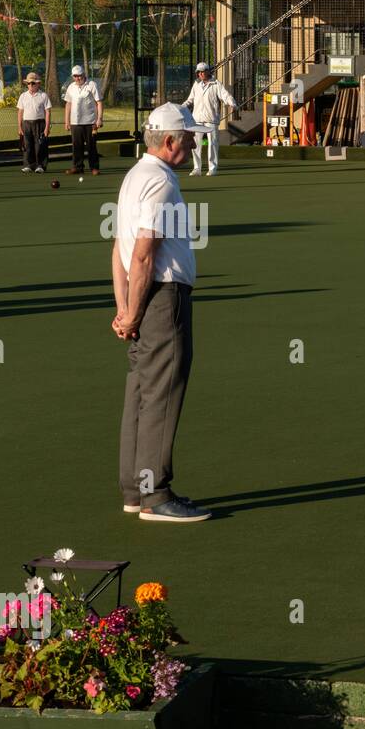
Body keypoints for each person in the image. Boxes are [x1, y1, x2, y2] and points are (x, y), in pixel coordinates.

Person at [113, 103, 212, 523]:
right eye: (188, 136)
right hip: (161, 299)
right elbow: (141, 254)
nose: (193, 141)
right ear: (169, 141)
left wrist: (123, 308)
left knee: (140, 391)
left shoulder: (135, 177)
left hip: (141, 299)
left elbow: (116, 251)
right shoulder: (160, 182)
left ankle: (136, 489)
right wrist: (134, 313)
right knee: (161, 393)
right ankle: (156, 495)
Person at [182, 62, 237, 176]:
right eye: (199, 72)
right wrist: (181, 108)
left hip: (211, 119)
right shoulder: (196, 85)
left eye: (203, 71)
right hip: (197, 120)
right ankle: (197, 168)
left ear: (208, 71)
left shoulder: (216, 84)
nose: (201, 74)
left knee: (212, 144)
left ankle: (212, 168)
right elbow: (190, 99)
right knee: (195, 145)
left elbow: (225, 95)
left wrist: (232, 104)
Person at [63, 65, 103, 176]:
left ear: (84, 74)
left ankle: (94, 168)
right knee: (76, 146)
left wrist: (99, 119)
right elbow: (68, 104)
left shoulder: (92, 85)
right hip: (75, 122)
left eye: (79, 75)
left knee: (91, 146)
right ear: (73, 76)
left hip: (90, 122)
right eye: (75, 76)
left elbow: (99, 102)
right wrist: (67, 121)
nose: (78, 78)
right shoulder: (71, 87)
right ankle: (77, 167)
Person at [16, 73, 51, 173]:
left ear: (37, 84)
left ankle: (40, 165)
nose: (30, 85)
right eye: (29, 83)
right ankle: (28, 165)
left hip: (40, 123)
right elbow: (20, 112)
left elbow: (48, 112)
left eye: (33, 83)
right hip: (26, 123)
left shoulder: (43, 95)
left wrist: (47, 127)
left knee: (40, 145)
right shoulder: (23, 96)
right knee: (27, 145)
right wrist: (19, 126)